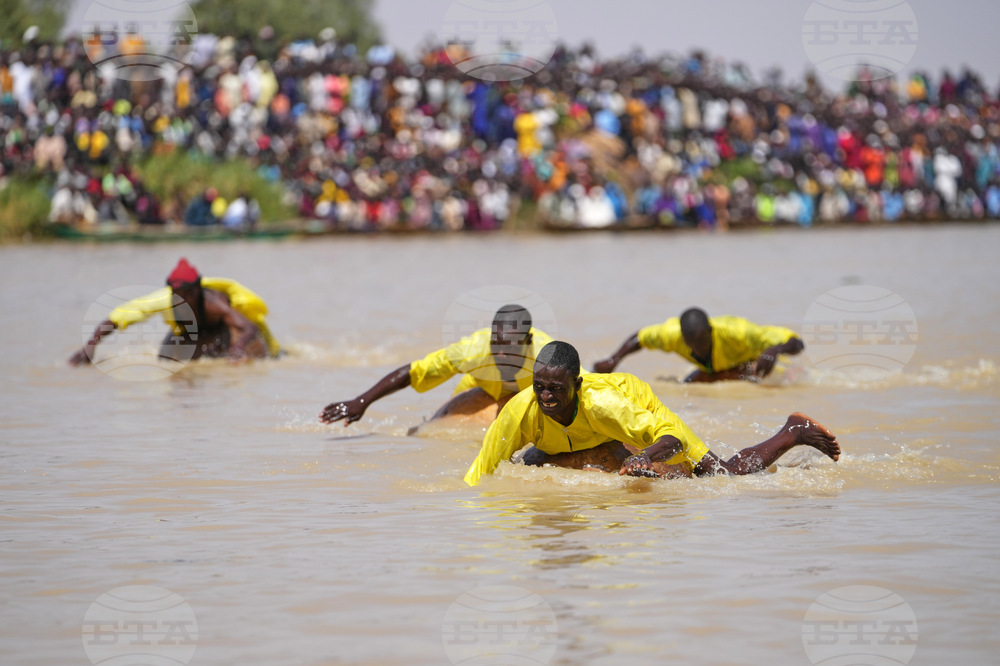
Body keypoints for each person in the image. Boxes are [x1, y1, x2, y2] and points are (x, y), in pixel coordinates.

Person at [464, 341, 839, 486]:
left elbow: (670, 439)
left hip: (634, 402)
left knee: (720, 475)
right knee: (531, 464)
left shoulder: (605, 404)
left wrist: (643, 457)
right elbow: (482, 469)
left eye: (556, 389)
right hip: (583, 434)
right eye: (540, 387)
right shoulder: (519, 412)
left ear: (576, 385)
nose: (546, 397)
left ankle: (794, 430)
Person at [320, 305, 554, 428]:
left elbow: (584, 387)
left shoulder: (548, 358)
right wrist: (362, 401)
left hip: (532, 397)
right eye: (496, 343)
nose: (501, 353)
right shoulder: (472, 351)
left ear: (528, 343)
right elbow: (413, 372)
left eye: (510, 347)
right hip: (479, 388)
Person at [69, 258, 280, 366]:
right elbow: (122, 316)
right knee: (165, 360)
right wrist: (90, 346)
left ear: (197, 290)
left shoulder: (213, 302)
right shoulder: (168, 300)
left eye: (187, 294)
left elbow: (249, 327)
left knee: (248, 352)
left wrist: (239, 349)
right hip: (192, 333)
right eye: (177, 294)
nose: (182, 299)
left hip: (227, 332)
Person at [593, 307, 804, 382]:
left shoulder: (737, 331)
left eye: (704, 343)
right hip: (715, 370)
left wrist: (774, 350)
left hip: (755, 365)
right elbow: (640, 338)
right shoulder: (672, 335)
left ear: (711, 331)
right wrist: (614, 360)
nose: (700, 350)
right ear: (683, 339)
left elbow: (796, 342)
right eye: (694, 345)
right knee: (689, 383)